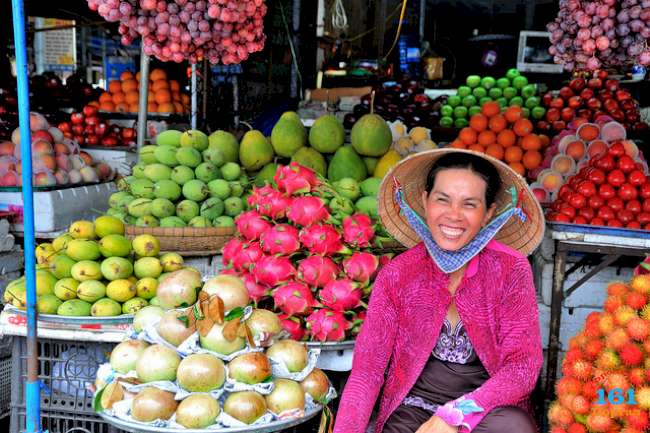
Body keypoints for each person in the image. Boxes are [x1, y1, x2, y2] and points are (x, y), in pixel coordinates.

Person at [333, 148, 545, 433]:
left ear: (488, 213)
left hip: (486, 410)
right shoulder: (398, 275)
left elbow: (522, 368)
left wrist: (456, 414)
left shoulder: (511, 270)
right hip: (412, 409)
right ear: (425, 201)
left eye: (469, 204)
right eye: (442, 200)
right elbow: (367, 371)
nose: (453, 215)